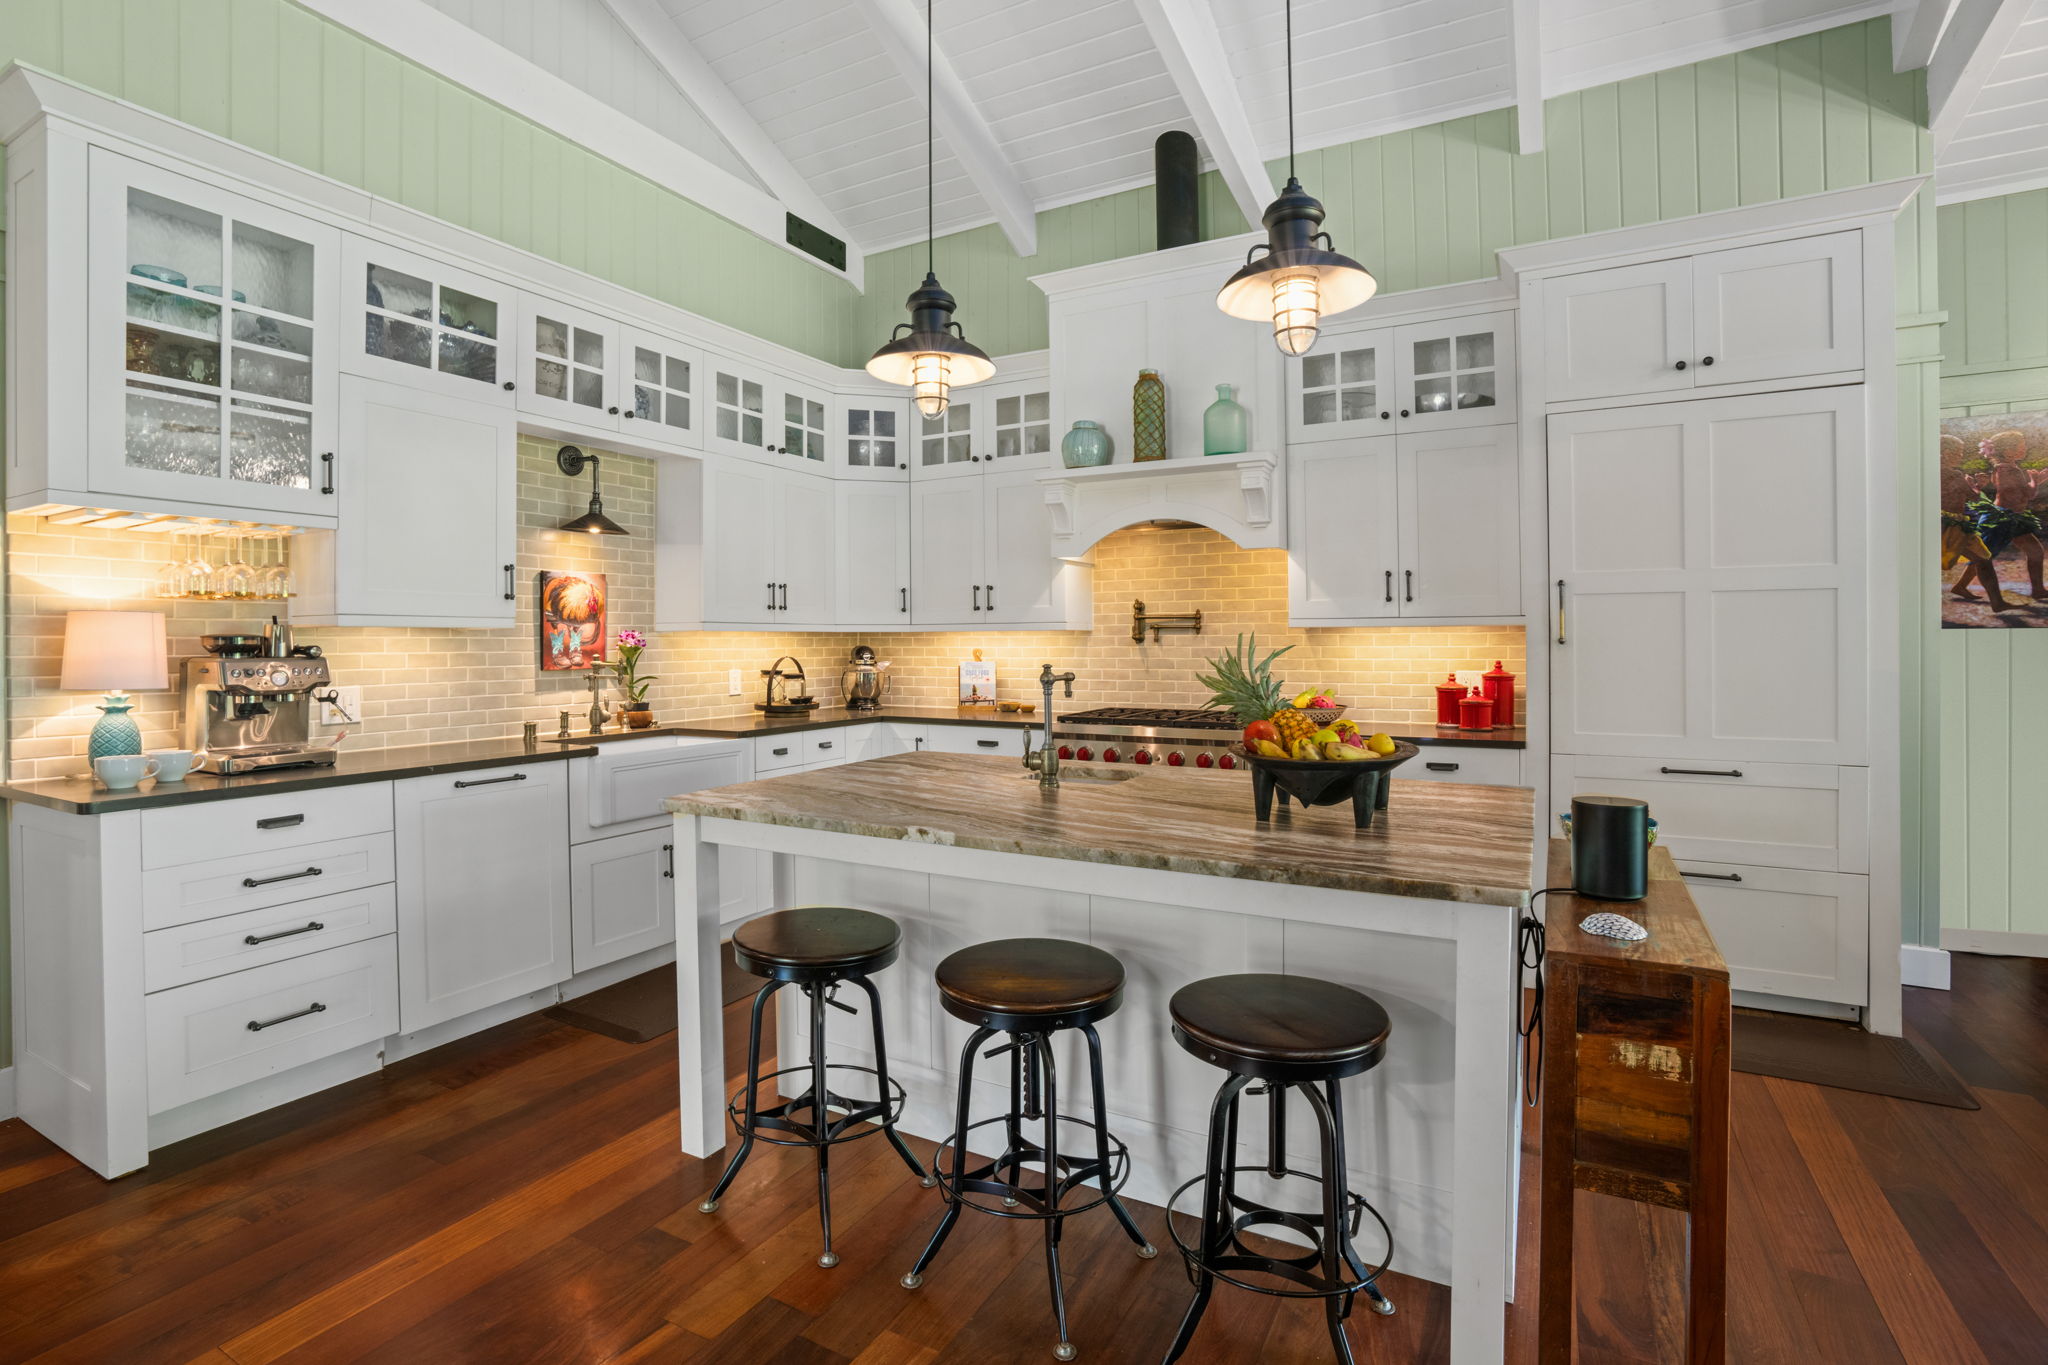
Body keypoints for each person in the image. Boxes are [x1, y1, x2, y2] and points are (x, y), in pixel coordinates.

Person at [1977, 429, 2048, 601]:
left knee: (2034, 551)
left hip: (2012, 517)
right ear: (2008, 451)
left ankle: (2038, 589)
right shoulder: (2007, 470)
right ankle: (1962, 585)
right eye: (2021, 446)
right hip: (2003, 518)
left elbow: (2021, 493)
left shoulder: (2008, 468)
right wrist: (2035, 481)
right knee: (1983, 554)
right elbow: (2027, 494)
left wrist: (2035, 481)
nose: (2025, 449)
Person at [1942, 434, 2010, 610]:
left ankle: (1997, 602)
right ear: (1946, 453)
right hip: (1946, 525)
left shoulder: (1945, 473)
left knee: (1982, 559)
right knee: (1981, 559)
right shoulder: (1953, 474)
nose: (1961, 455)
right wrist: (1979, 487)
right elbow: (1973, 497)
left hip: (1958, 525)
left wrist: (1976, 486)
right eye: (1958, 452)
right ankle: (1997, 602)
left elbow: (1968, 496)